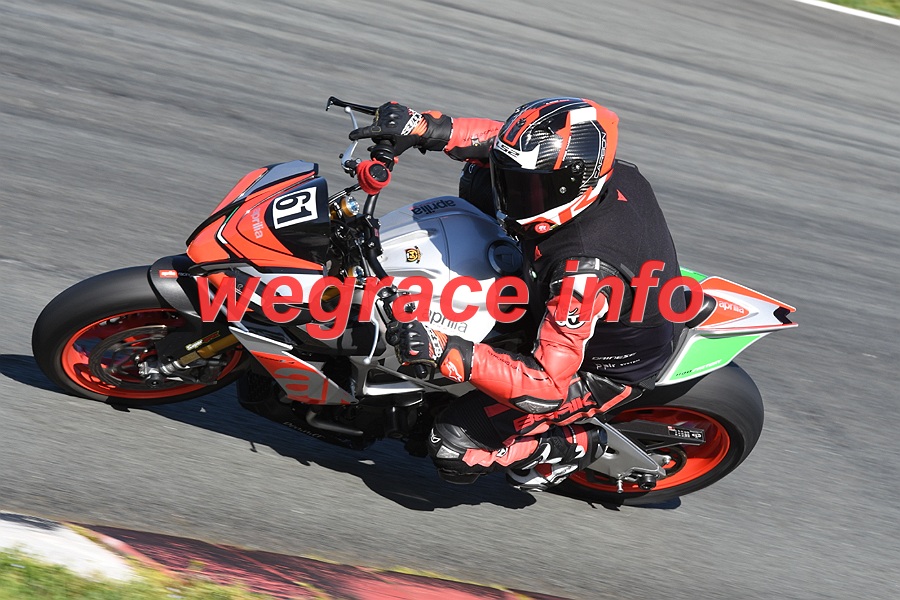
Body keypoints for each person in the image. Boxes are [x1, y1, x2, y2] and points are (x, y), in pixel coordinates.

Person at [349, 98, 685, 491]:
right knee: (481, 173)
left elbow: (547, 384)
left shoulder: (582, 274)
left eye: (531, 188)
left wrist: (448, 350)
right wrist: (425, 127)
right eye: (515, 182)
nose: (513, 195)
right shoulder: (592, 172)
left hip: (595, 369)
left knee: (453, 447)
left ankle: (570, 446)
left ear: (572, 184)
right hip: (590, 288)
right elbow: (500, 143)